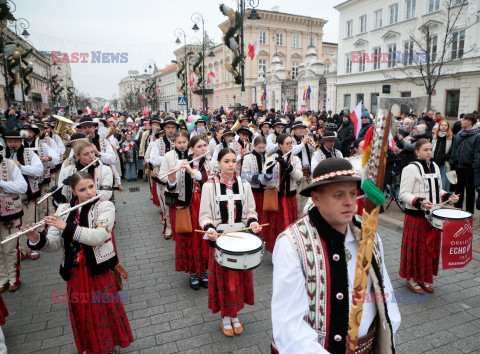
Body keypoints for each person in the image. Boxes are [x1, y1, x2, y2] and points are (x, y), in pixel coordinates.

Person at [271, 158, 401, 353]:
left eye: (352, 193)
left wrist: (387, 335)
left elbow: (383, 291)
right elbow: (289, 324)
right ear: (316, 198)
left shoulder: (367, 231)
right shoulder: (292, 244)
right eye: (338, 195)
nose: (349, 203)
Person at [24, 171, 134, 353]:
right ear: (74, 191)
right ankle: (92, 347)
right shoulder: (63, 210)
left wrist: (66, 227)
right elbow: (54, 244)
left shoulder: (105, 206)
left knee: (103, 310)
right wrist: (36, 238)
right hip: (75, 272)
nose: (89, 192)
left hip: (98, 270)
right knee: (83, 313)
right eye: (82, 189)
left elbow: (100, 236)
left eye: (91, 186)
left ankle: (108, 347)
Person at [199, 148, 262, 337]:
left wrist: (254, 223)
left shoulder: (245, 185)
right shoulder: (209, 186)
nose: (231, 164)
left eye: (234, 161)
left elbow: (251, 211)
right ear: (218, 164)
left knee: (239, 280)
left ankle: (235, 315)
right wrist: (209, 228)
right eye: (226, 161)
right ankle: (226, 317)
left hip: (241, 242)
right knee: (224, 281)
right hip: (220, 241)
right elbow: (204, 216)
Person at [399, 139, 459, 293]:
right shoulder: (410, 168)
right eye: (425, 150)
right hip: (416, 217)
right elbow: (403, 194)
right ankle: (412, 280)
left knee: (428, 248)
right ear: (417, 151)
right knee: (416, 248)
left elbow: (437, 190)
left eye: (431, 149)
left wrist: (448, 196)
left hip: (433, 216)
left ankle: (423, 278)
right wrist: (420, 202)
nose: (429, 152)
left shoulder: (435, 168)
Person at [167, 135, 211, 289]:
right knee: (190, 239)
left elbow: (207, 180)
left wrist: (191, 171)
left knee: (204, 238)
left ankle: (204, 271)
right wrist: (171, 179)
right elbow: (173, 188)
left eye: (204, 145)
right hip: (188, 207)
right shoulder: (182, 163)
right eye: (199, 146)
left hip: (204, 206)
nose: (203, 149)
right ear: (191, 149)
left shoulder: (208, 163)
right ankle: (193, 272)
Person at [5, 130, 44, 266]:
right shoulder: (3, 155)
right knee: (15, 225)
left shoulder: (29, 153)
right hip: (10, 196)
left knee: (29, 221)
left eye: (15, 141)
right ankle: (20, 249)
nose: (12, 144)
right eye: (10, 142)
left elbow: (39, 170)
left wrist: (20, 167)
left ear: (21, 141)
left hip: (28, 192)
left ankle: (32, 247)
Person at [262, 133, 303, 252]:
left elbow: (299, 177)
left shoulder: (295, 159)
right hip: (277, 199)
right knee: (276, 228)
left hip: (290, 198)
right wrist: (268, 172)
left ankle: (289, 251)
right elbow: (264, 182)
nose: (291, 146)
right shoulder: (271, 157)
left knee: (289, 228)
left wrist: (288, 167)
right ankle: (277, 251)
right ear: (280, 145)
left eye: (292, 143)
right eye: (288, 143)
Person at [0, 144, 27, 292]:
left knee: (10, 247)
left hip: (10, 212)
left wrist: (1, 183)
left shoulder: (10, 165)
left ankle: (13, 278)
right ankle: (2, 278)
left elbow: (22, 187)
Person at [241, 136, 271, 241]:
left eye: (263, 147)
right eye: (259, 147)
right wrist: (260, 178)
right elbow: (244, 176)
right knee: (254, 214)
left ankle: (265, 236)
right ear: (254, 146)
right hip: (254, 192)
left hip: (267, 192)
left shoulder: (268, 156)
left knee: (266, 216)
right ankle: (254, 236)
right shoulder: (248, 157)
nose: (261, 150)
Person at [449, 113, 480, 214]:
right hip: (459, 167)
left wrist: (475, 168)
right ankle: (457, 211)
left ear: (469, 122)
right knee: (458, 191)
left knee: (470, 193)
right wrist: (452, 162)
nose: (461, 121)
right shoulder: (459, 134)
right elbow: (454, 149)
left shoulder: (477, 136)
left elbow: (477, 153)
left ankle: (468, 214)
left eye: (463, 120)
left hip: (470, 168)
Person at [290, 119, 315, 216]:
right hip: (298, 173)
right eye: (299, 129)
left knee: (306, 198)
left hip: (307, 172)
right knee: (297, 198)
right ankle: (296, 218)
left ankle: (303, 218)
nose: (301, 130)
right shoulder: (291, 140)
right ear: (294, 130)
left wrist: (312, 146)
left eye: (302, 128)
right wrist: (303, 144)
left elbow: (313, 154)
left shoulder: (306, 139)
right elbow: (292, 152)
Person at [432, 120, 453, 191]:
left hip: (444, 163)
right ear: (439, 126)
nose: (443, 127)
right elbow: (432, 148)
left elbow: (452, 151)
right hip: (434, 162)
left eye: (445, 125)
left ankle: (444, 199)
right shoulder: (435, 136)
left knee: (444, 183)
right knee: (435, 182)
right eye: (442, 125)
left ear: (448, 127)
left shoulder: (450, 137)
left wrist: (445, 157)